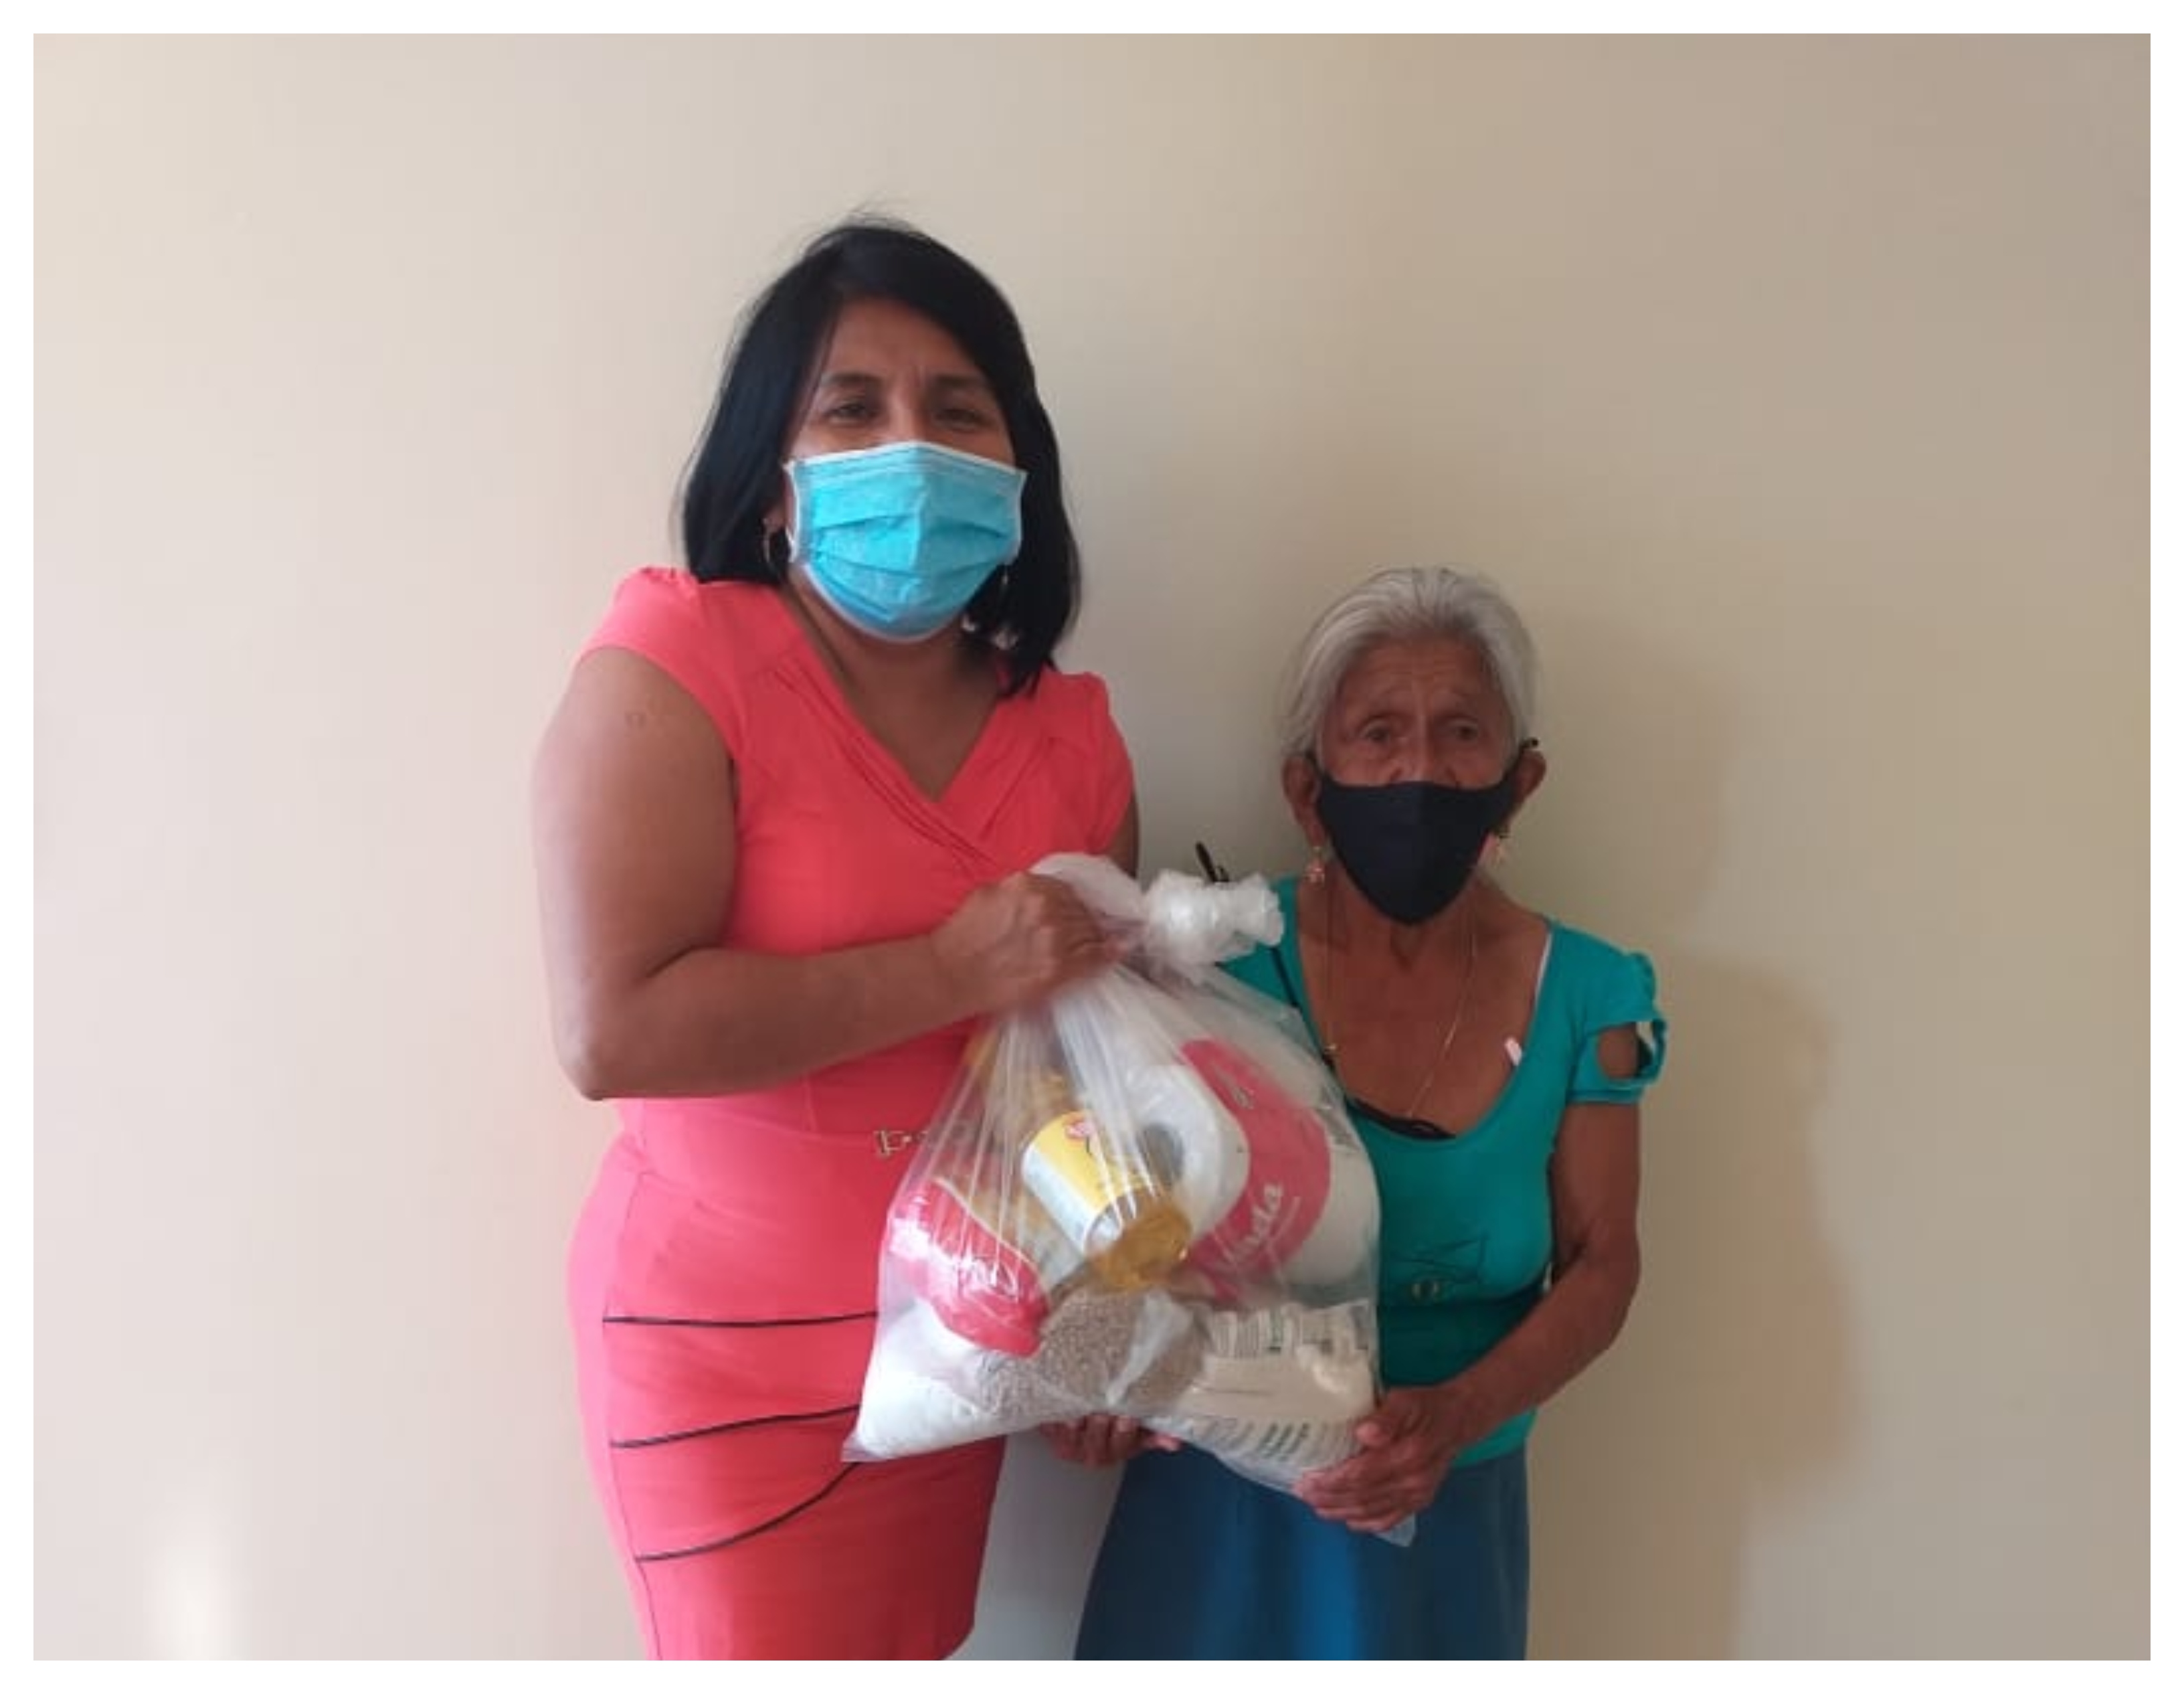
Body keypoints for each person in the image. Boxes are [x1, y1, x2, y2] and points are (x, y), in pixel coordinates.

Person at [530, 217, 1139, 1660]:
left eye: (959, 409)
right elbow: (613, 1032)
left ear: (1020, 471)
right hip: (716, 1369)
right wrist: (952, 972)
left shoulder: (1073, 738)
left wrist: (1108, 1307)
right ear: (771, 475)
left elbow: (1094, 1069)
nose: (910, 445)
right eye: (851, 408)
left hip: (958, 1350)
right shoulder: (677, 665)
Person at [1061, 566, 1665, 1659]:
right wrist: (1098, 1374)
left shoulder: (1588, 994)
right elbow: (1105, 1220)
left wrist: (1456, 1417)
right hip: (1215, 1508)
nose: (1420, 770)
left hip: (1449, 1512)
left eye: (1462, 733)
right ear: (1308, 790)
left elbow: (1603, 1262)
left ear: (1520, 781)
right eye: (1378, 733)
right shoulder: (1213, 966)